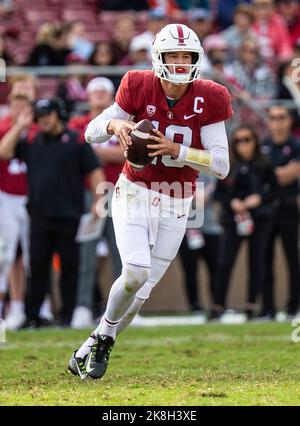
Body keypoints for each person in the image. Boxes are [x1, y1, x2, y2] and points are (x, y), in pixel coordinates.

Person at [68, 23, 233, 380]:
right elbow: (90, 131)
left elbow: (221, 165)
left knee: (140, 296)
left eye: (185, 55)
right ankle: (104, 336)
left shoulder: (212, 95)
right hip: (135, 189)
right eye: (172, 55)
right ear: (158, 57)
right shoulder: (138, 83)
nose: (179, 62)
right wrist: (115, 127)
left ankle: (98, 340)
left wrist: (179, 150)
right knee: (136, 271)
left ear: (196, 59)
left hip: (178, 199)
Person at [0, 97, 105, 328]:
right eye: (40, 116)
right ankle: (33, 316)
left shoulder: (76, 141)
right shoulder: (32, 141)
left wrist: (98, 201)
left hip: (70, 215)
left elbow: (95, 171)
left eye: (48, 114)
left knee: (69, 267)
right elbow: (4, 152)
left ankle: (67, 316)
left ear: (58, 114)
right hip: (39, 215)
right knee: (37, 268)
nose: (44, 120)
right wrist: (20, 125)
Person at [68, 77, 124, 328]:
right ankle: (81, 305)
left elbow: (127, 154)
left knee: (121, 251)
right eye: (95, 91)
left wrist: (94, 153)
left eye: (104, 91)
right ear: (88, 96)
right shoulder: (78, 124)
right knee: (86, 252)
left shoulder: (121, 123)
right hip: (89, 193)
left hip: (120, 190)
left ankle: (121, 308)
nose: (99, 94)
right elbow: (74, 155)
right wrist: (100, 155)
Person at [212, 125, 277, 319]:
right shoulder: (229, 165)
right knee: (225, 262)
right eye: (239, 140)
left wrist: (259, 198)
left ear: (255, 141)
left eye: (247, 139)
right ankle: (218, 305)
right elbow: (219, 192)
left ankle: (251, 305)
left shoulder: (264, 164)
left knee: (257, 262)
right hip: (233, 219)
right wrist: (233, 202)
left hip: (259, 218)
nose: (243, 145)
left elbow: (274, 189)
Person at [260, 105, 300, 319]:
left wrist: (271, 174)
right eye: (273, 117)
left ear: (289, 120)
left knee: (292, 258)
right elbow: (262, 176)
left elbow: (291, 174)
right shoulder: (263, 146)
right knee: (264, 259)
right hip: (266, 208)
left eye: (281, 117)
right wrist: (281, 173)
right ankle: (268, 308)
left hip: (287, 206)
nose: (277, 122)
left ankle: (294, 306)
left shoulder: (296, 145)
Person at [179, 175, 222, 314]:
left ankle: (218, 304)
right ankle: (194, 305)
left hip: (211, 227)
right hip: (187, 228)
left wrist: (206, 193)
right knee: (190, 269)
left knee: (216, 268)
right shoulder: (179, 170)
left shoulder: (210, 170)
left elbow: (217, 189)